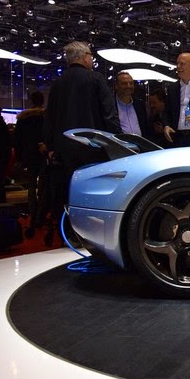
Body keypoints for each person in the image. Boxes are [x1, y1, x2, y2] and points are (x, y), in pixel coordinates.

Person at [44, 41, 121, 243]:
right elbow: (109, 113)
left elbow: (50, 117)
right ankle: (92, 235)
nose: (92, 60)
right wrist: (117, 140)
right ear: (85, 57)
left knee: (68, 191)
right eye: (91, 56)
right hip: (93, 147)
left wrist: (51, 146)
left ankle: (69, 234)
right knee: (94, 192)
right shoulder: (96, 79)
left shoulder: (58, 83)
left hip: (64, 149)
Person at [13, 91, 46, 235]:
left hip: (29, 155)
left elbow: (17, 140)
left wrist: (20, 158)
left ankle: (33, 212)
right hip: (43, 154)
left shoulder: (23, 118)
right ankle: (41, 215)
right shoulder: (46, 117)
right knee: (44, 186)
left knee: (31, 186)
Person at [114, 71, 150, 138]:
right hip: (117, 144)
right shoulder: (110, 105)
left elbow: (146, 128)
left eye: (131, 83)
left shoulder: (139, 105)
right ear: (116, 86)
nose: (128, 86)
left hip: (140, 144)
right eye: (124, 83)